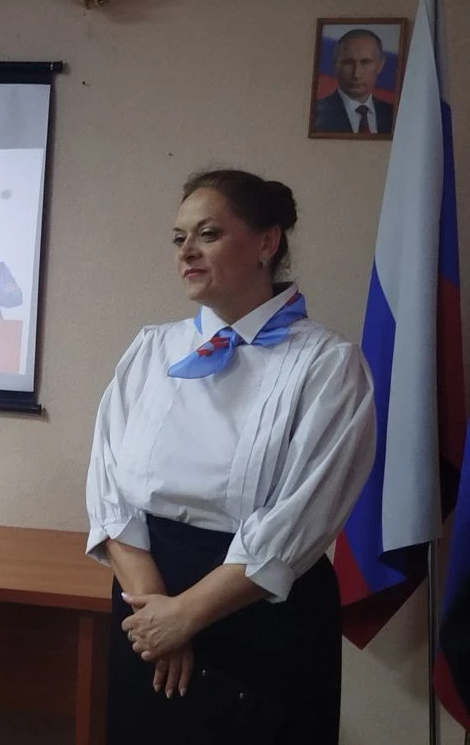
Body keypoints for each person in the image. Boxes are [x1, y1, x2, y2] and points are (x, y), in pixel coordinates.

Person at [86, 170, 376, 744]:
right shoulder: (152, 349)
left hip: (259, 611)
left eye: (209, 234)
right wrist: (156, 611)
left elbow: (300, 517)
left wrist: (186, 616)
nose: (187, 252)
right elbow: (109, 490)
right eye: (179, 238)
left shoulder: (327, 364)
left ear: (267, 242)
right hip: (145, 596)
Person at [313, 28, 395, 134]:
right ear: (335, 65)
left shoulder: (394, 114)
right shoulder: (316, 114)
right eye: (348, 62)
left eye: (366, 62)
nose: (356, 74)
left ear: (380, 65)